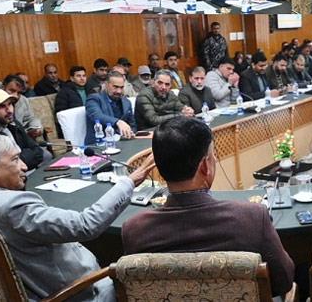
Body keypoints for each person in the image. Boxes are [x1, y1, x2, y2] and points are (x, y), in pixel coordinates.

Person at [0, 133, 153, 302]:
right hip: (76, 293)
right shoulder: (13, 207)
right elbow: (86, 225)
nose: (24, 167)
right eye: (14, 159)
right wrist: (128, 183)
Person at [121, 117, 295, 298]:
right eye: (212, 156)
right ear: (205, 166)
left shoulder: (134, 229)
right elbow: (283, 280)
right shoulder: (252, 217)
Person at [0, 88, 45, 170]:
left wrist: (19, 160)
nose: (9, 110)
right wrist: (26, 157)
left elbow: (38, 152)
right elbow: (5, 168)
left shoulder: (14, 123)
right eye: (2, 106)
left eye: (10, 104)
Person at [84, 72, 139, 145]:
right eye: (115, 87)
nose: (119, 91)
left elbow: (132, 125)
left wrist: (130, 133)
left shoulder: (126, 102)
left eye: (121, 87)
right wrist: (118, 122)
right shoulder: (94, 99)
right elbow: (97, 116)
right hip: (98, 145)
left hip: (123, 142)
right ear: (106, 84)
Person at [2, 74, 44, 139]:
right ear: (3, 87)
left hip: (22, 138)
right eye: (12, 91)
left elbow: (31, 118)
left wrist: (35, 128)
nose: (15, 96)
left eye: (19, 93)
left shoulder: (23, 100)